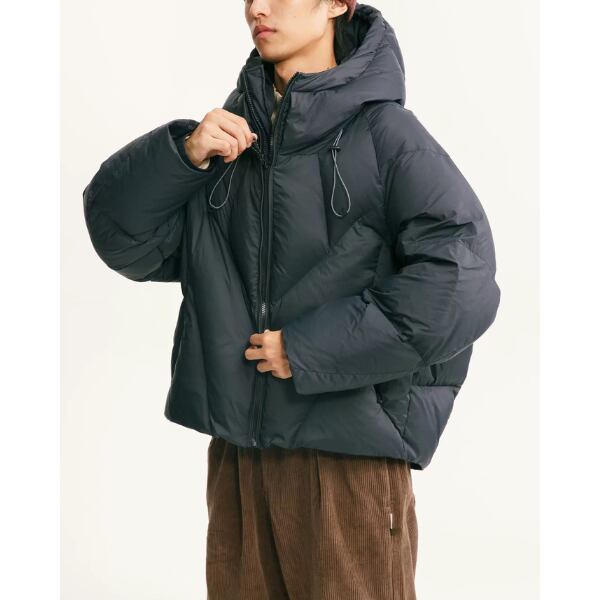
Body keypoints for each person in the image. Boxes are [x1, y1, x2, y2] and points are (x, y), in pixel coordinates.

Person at [82, 1, 501, 598]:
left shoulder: (387, 137)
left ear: (336, 5)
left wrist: (309, 351)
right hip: (240, 457)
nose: (258, 6)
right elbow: (123, 241)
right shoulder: (227, 139)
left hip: (347, 461)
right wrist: (184, 156)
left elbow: (462, 282)